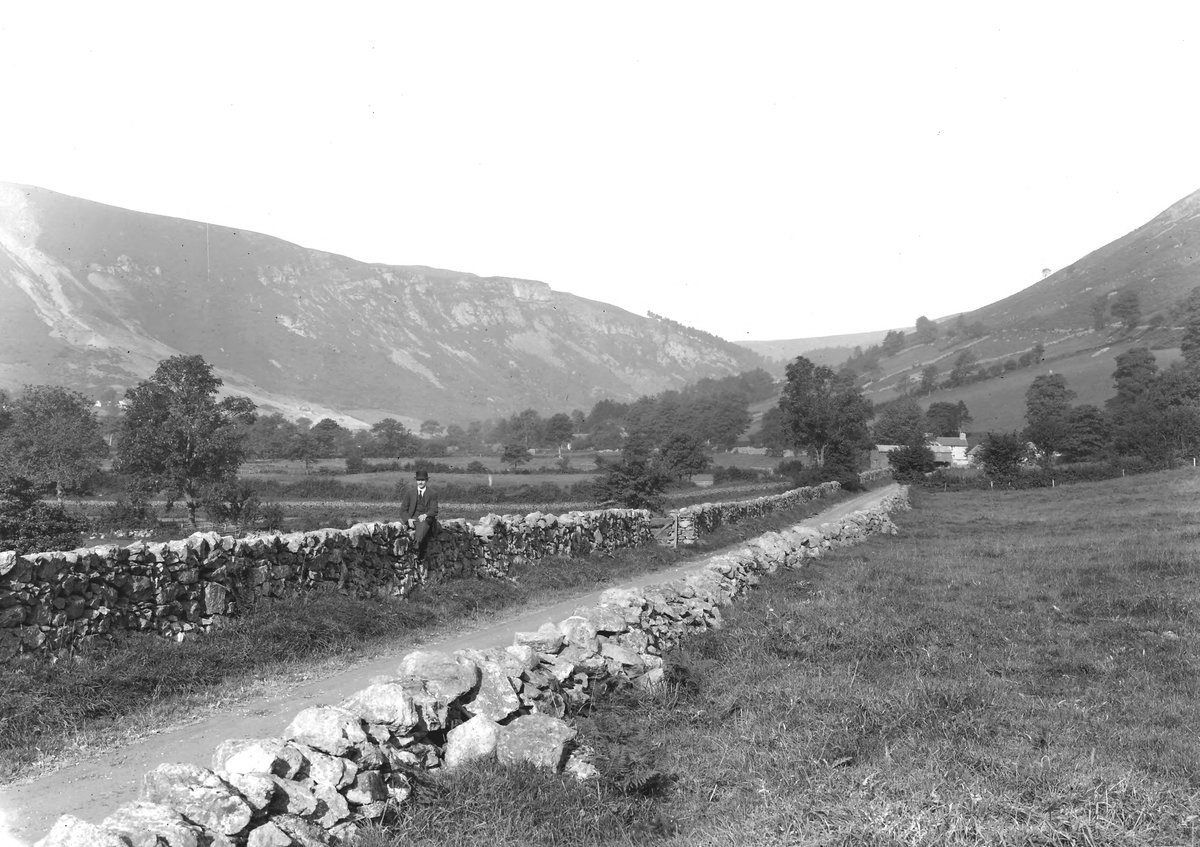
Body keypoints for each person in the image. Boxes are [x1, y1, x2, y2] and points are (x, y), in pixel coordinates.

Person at [399, 469, 438, 560]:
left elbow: (434, 510)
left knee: (424, 524)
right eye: (418, 480)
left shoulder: (432, 493)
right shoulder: (409, 493)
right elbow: (402, 510)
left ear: (426, 480)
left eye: (423, 480)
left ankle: (416, 545)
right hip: (413, 519)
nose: (420, 482)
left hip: (426, 520)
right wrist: (408, 519)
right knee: (420, 525)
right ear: (416, 480)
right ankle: (419, 549)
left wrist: (425, 515)